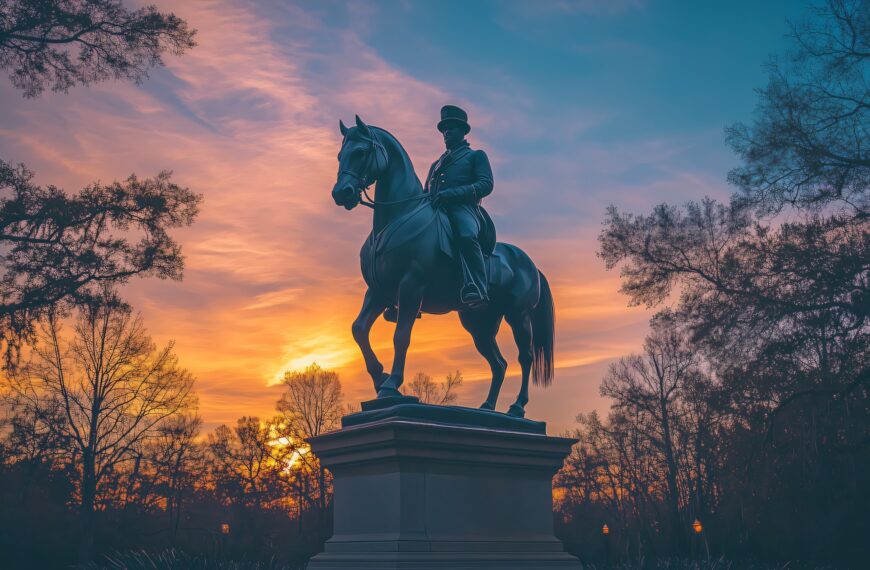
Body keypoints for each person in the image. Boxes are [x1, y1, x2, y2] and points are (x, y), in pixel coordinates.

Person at [425, 105, 494, 308]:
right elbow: (425, 192)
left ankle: (478, 287)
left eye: (452, 128)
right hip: (436, 209)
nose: (447, 132)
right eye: (444, 129)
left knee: (465, 235)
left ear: (463, 131)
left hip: (464, 209)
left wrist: (452, 194)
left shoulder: (475, 156)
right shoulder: (435, 164)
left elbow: (486, 184)